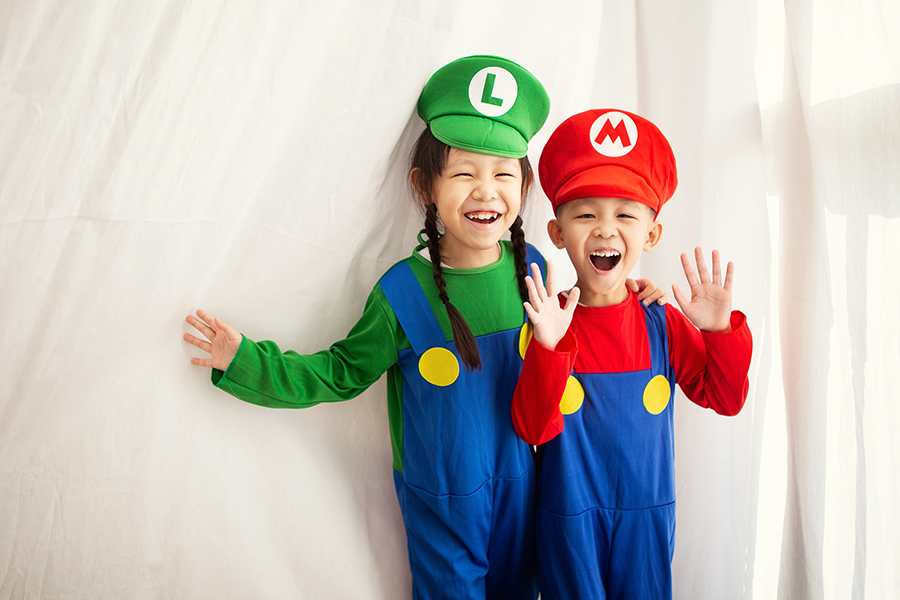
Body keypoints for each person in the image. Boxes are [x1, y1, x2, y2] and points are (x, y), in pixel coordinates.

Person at [183, 56, 662, 599]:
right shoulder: (402, 294)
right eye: (464, 173)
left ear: (523, 186)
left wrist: (644, 296)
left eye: (503, 173)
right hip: (442, 500)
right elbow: (339, 372)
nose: (486, 191)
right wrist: (245, 359)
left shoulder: (536, 273)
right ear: (424, 185)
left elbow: (591, 333)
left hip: (526, 492)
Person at [511, 108, 753, 600]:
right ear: (557, 234)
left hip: (647, 517)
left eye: (625, 214)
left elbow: (726, 399)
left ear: (651, 234)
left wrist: (719, 331)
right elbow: (532, 428)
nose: (604, 228)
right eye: (585, 213)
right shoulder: (545, 321)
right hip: (566, 519)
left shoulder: (661, 321)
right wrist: (546, 348)